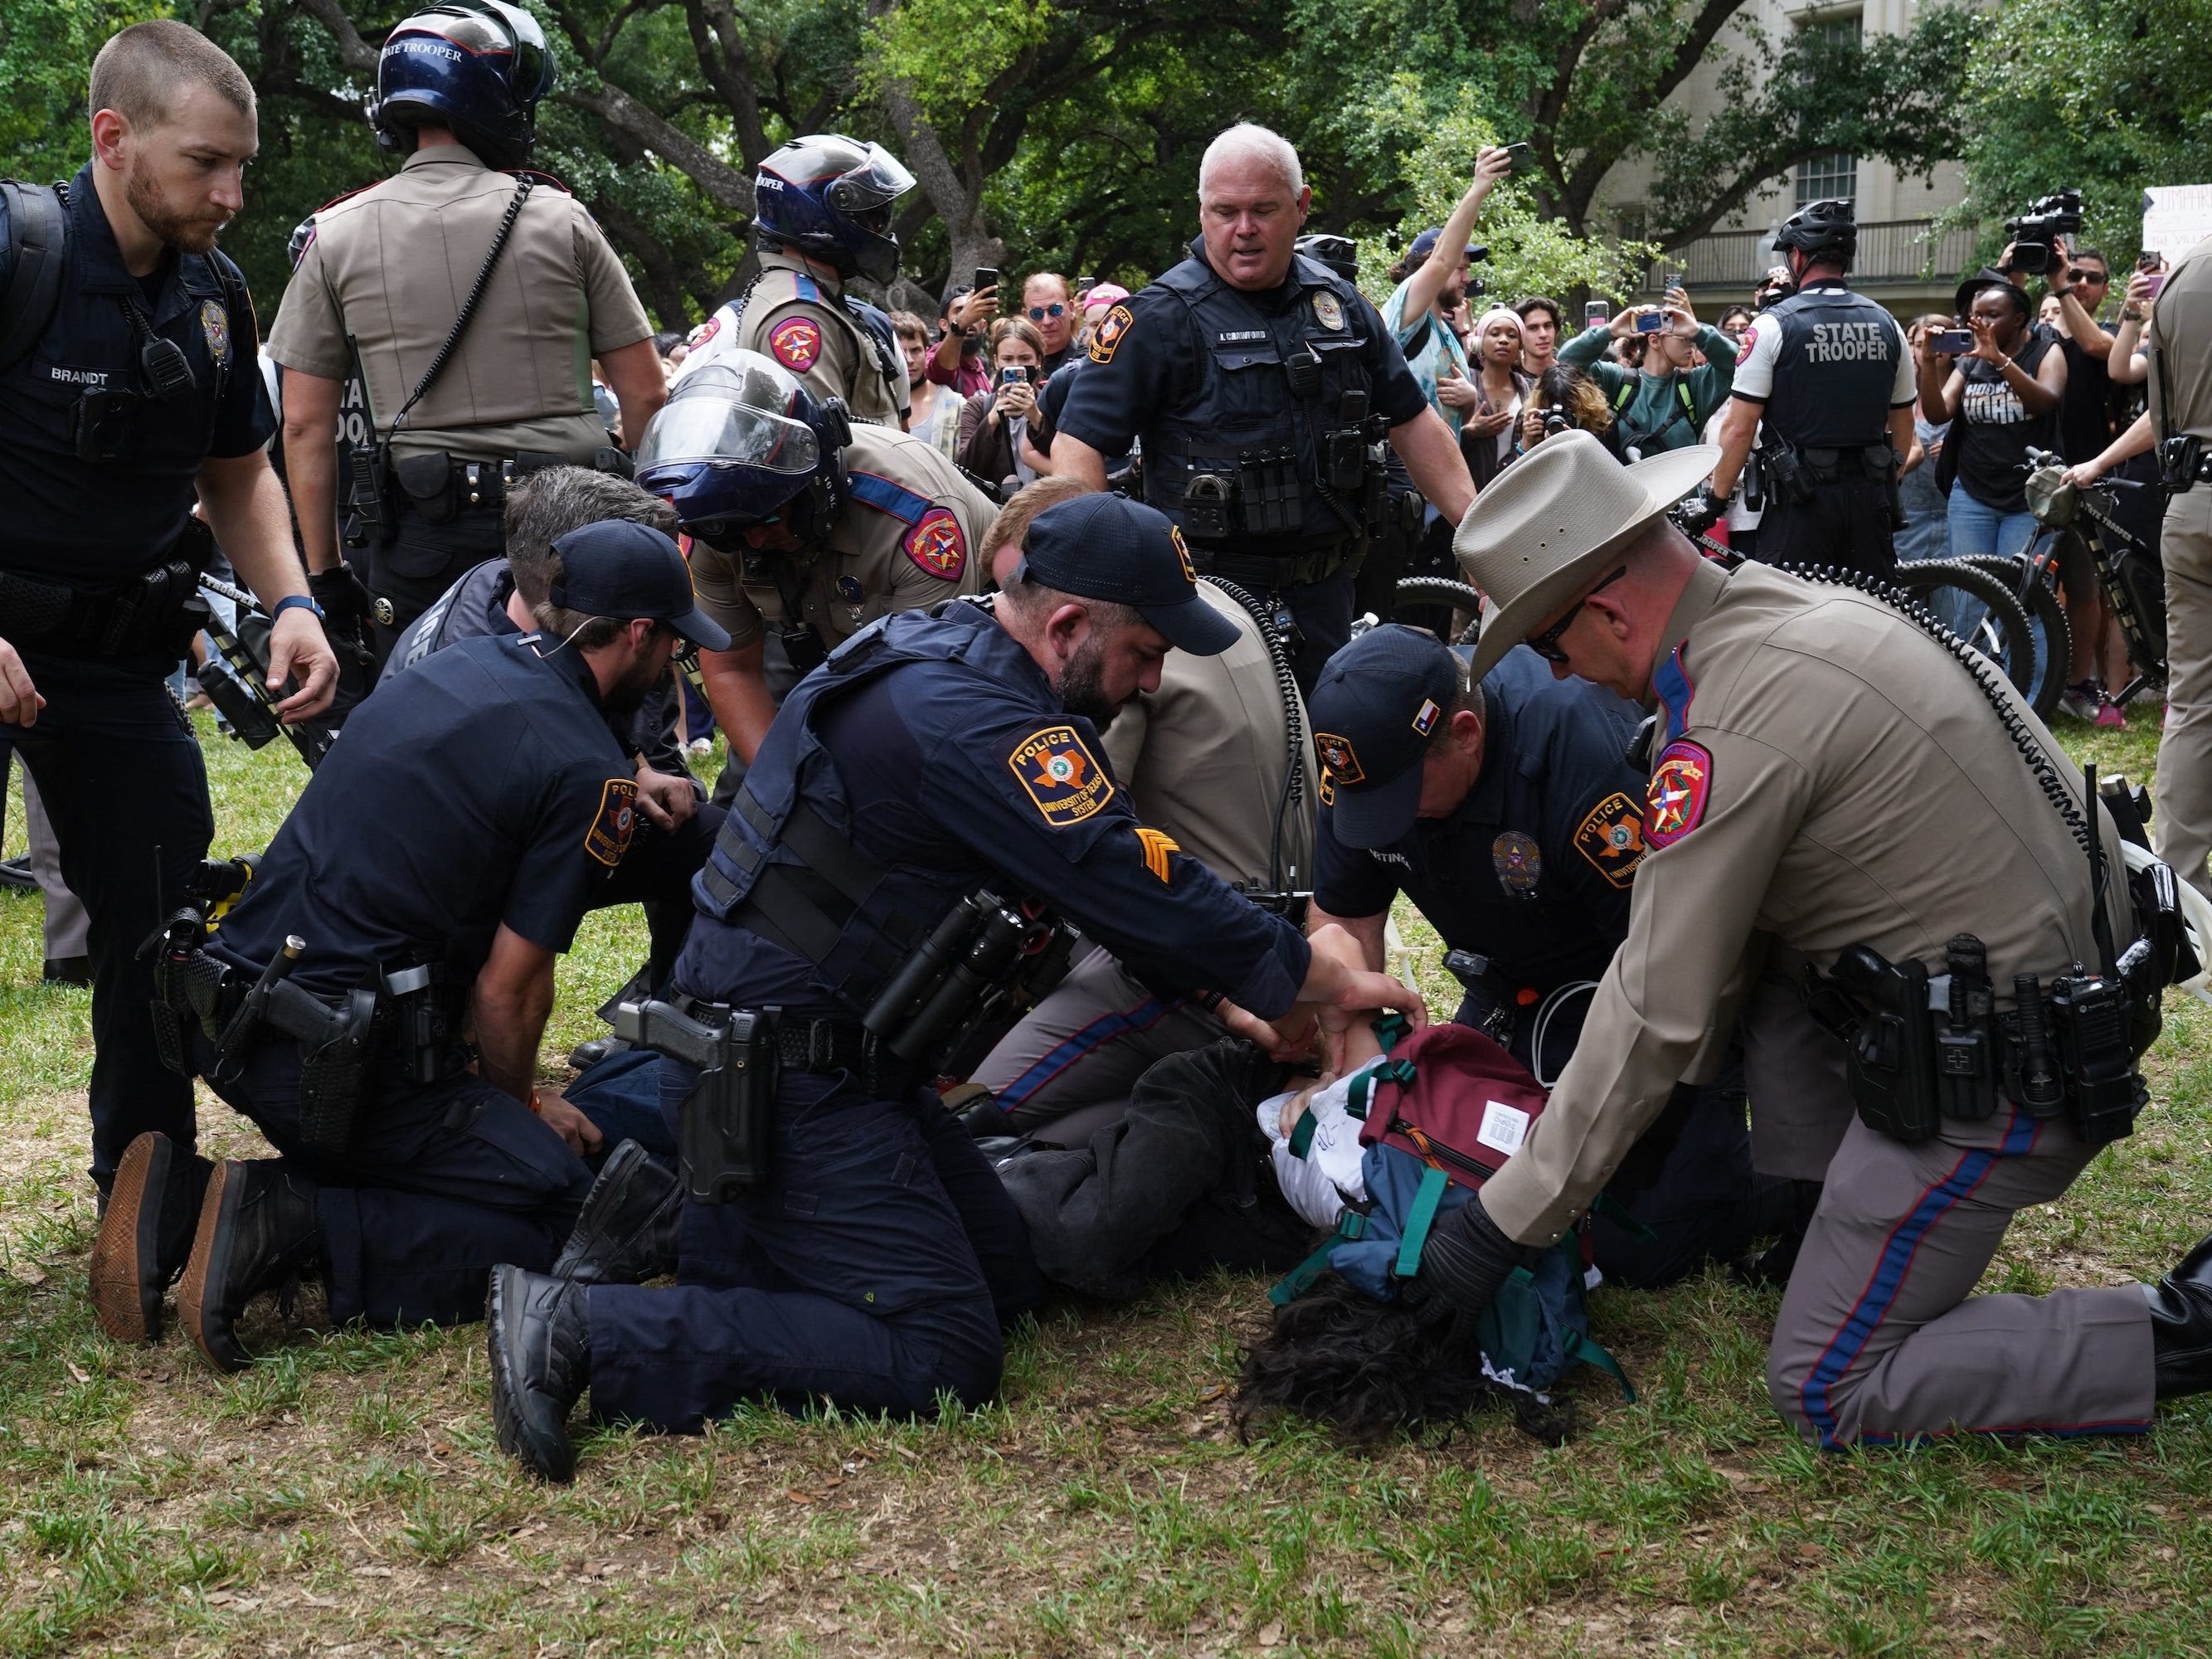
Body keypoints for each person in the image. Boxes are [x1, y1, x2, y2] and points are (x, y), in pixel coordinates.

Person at [482, 492, 1423, 1481]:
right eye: (1146, 650)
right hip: (786, 1072)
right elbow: (1127, 875)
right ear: (1066, 626)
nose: (1152, 679)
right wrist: (1322, 977)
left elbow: (1080, 888)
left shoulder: (938, 649)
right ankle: (589, 1324)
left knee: (1005, 1273)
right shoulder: (979, 721)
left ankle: (695, 1219)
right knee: (941, 1347)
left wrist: (1231, 993)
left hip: (818, 1054)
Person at [1433, 426, 2212, 1448]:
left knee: (1829, 1381)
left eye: (1548, 644)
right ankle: (1814, 1213)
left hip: (2013, 1074)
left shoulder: (1732, 724)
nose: (1562, 676)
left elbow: (1655, 1009)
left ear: (1611, 608)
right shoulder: (1786, 608)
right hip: (2053, 993)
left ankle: (2185, 1327)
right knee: (1746, 933)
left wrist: (1500, 1220)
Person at [93, 519, 728, 1365]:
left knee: (506, 1165)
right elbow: (511, 990)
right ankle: (282, 1217)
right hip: (341, 1068)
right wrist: (522, 1107)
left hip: (240, 1013)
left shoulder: (467, 664)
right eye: (676, 646)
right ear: (641, 635)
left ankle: (183, 1203)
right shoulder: (584, 773)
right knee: (572, 1216)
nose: (676, 666)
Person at [0, 22, 338, 1296]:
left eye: (241, 168)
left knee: (158, 932)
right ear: (113, 139)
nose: (233, 193)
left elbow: (238, 470)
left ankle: (139, 1206)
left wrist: (290, 601)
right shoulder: (16, 249)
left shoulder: (215, 291)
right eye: (207, 164)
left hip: (113, 657)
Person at [1302, 621, 1776, 1289]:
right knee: (1434, 1163)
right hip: (1514, 988)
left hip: (1644, 995)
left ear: (1466, 735)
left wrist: (1576, 1127)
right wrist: (1350, 1074)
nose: (1384, 820)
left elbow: (1672, 975)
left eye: (1399, 802)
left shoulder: (1585, 759)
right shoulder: (1369, 758)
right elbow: (1345, 916)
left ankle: (1787, 1178)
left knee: (1631, 1247)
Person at [270, 0, 665, 668]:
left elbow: (305, 426)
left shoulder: (335, 236)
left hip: (426, 533)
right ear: (493, 98)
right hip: (573, 521)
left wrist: (327, 573)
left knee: (430, 715)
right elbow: (647, 396)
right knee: (588, 711)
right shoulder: (561, 219)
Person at [1054, 122, 1475, 688]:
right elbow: (1076, 445)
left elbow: (1413, 422)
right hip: (1203, 603)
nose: (1244, 230)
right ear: (1201, 211)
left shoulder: (1343, 308)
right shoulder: (1156, 318)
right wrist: (1103, 589)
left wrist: (1481, 541)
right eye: (1225, 212)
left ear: (1301, 207)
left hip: (1327, 597)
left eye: (1263, 210)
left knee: (1319, 761)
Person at [967, 479, 1319, 1141]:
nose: (1014, 613)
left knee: (960, 1117)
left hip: (1195, 962)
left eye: (1026, 583)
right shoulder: (1214, 605)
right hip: (1274, 941)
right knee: (1083, 1128)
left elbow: (1077, 854)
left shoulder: (1114, 650)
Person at [380, 466, 718, 992]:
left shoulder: (517, 589)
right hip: (438, 877)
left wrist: (637, 768)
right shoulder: (478, 684)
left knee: (709, 837)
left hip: (508, 820)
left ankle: (674, 1007)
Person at [634, 349, 996, 764]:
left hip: (965, 669)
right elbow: (732, 669)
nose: (753, 541)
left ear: (815, 484)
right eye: (734, 529)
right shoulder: (712, 525)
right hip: (823, 657)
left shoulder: (915, 518)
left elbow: (924, 691)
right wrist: (787, 782)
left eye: (768, 516)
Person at [1699, 199, 1915, 577]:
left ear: (1797, 256)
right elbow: (1903, 423)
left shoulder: (1771, 326)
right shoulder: (1889, 325)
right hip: (1870, 504)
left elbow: (1739, 427)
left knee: (1789, 624)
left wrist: (1714, 503)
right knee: (1872, 618)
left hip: (1800, 507)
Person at [673, 134, 914, 430]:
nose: (880, 231)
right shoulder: (786, 317)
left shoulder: (859, 317)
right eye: (871, 218)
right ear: (819, 217)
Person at [2128, 229, 2212, 900]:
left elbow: (2156, 401)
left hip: (2191, 501)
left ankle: (2179, 879)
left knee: (2193, 700)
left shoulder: (2182, 270)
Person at [1914, 270, 2065, 569]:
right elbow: (1938, 413)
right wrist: (1929, 365)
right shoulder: (1970, 361)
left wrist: (1999, 359)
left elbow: (2045, 401)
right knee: (1970, 596)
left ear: (2019, 319)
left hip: (2029, 497)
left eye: (1992, 315)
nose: (1981, 323)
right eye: (1976, 315)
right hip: (1972, 495)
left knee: (2018, 596)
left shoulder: (2046, 351)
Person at [1382, 153, 1514, 441]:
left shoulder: (1448, 332)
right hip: (1400, 476)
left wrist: (1469, 400)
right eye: (1461, 269)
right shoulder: (1408, 311)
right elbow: (1442, 260)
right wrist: (1479, 187)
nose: (1467, 279)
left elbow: (1455, 420)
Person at [1558, 287, 1737, 460]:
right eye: (1683, 337)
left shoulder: (1695, 385)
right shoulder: (1618, 380)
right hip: (1627, 491)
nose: (1691, 344)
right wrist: (1609, 331)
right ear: (1654, 341)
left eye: (1692, 339)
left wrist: (1698, 332)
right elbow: (1567, 360)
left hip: (1683, 491)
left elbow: (1736, 363)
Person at [958, 316, 1048, 489]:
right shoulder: (977, 407)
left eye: (1024, 359)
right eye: (1007, 359)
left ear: (1038, 360)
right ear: (996, 361)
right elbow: (964, 467)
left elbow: (1063, 461)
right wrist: (992, 420)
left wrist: (1036, 418)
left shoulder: (1051, 403)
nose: (1015, 365)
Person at [1462, 307, 1529, 489]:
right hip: (1469, 496)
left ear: (1520, 347)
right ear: (1478, 343)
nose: (1503, 340)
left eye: (1512, 336)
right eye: (1494, 333)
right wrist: (1469, 433)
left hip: (1515, 495)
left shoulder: (1530, 392)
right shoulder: (1462, 384)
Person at [892, 309, 960, 459]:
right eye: (901, 352)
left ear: (926, 351)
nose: (909, 360)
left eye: (915, 350)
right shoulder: (873, 405)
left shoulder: (955, 405)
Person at [1021, 271, 1079, 375]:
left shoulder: (1089, 363)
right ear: (1026, 316)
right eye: (1037, 313)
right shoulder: (1017, 365)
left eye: (1055, 310)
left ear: (1071, 309)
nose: (1047, 321)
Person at [1514, 295, 1563, 381]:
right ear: (1519, 334)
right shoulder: (1510, 380)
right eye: (1533, 328)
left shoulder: (1569, 376)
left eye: (1548, 326)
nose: (1543, 334)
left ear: (1556, 329)